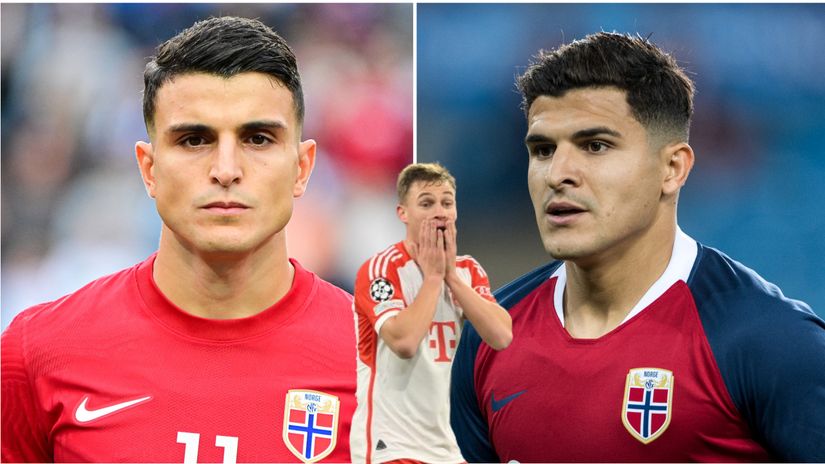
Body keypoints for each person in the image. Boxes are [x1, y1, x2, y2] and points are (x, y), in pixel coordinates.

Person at [450, 32, 825, 462]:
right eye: (543, 150)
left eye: (595, 146)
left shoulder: (768, 340)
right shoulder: (490, 334)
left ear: (672, 168)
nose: (558, 174)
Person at [2, 17, 358, 463]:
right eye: (194, 139)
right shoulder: (40, 352)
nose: (226, 170)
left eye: (258, 138)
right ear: (149, 169)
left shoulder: (384, 366)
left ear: (302, 168)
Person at [350, 163, 512, 463]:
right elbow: (404, 342)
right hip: (393, 444)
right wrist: (433, 279)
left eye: (447, 203)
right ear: (403, 213)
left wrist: (450, 276)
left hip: (448, 447)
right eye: (426, 203)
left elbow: (502, 336)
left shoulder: (468, 271)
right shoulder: (382, 269)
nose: (439, 211)